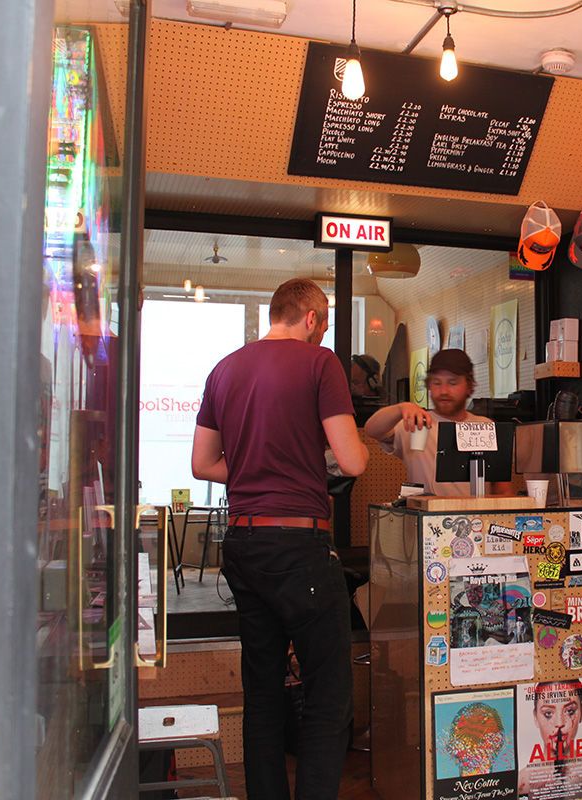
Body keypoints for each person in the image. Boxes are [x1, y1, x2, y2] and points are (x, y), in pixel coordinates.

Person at [190, 278, 368, 800]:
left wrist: (255, 470)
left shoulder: (224, 369)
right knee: (328, 694)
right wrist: (325, 457)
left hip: (244, 544)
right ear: (311, 318)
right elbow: (353, 461)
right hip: (299, 546)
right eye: (324, 324)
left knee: (263, 693)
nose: (323, 334)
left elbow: (202, 464)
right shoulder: (320, 364)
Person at [364, 348, 511, 495]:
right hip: (427, 509)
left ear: (469, 386)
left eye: (452, 383)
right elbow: (372, 430)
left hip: (478, 510)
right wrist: (401, 408)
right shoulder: (417, 424)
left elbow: (502, 489)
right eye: (437, 383)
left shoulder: (485, 426)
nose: (444, 391)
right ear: (429, 385)